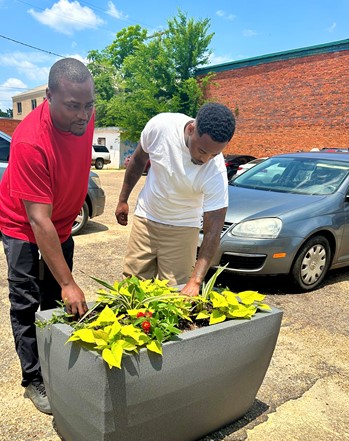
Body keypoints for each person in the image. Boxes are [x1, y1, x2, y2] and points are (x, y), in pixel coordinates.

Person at [0, 58, 95, 414]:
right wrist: (72, 282)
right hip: (22, 227)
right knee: (26, 302)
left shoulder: (83, 116)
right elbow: (38, 222)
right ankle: (33, 379)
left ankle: (56, 365)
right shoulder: (29, 142)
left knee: (55, 299)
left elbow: (52, 225)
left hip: (60, 227)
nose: (83, 116)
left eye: (89, 105)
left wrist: (64, 283)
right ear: (48, 97)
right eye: (73, 106)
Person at [115, 102, 236, 297]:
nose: (205, 160)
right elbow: (138, 160)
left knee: (173, 295)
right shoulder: (160, 127)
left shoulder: (215, 170)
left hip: (183, 228)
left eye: (215, 154)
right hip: (146, 219)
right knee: (132, 288)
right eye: (203, 151)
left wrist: (196, 280)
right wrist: (123, 200)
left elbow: (213, 229)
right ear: (191, 129)